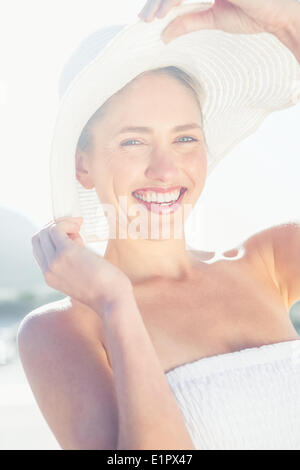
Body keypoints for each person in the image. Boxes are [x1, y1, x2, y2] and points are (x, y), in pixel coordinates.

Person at [17, 0, 300, 450]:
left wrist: (289, 25)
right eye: (134, 141)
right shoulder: (65, 330)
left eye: (185, 138)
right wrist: (116, 304)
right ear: (82, 166)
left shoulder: (271, 260)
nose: (166, 170)